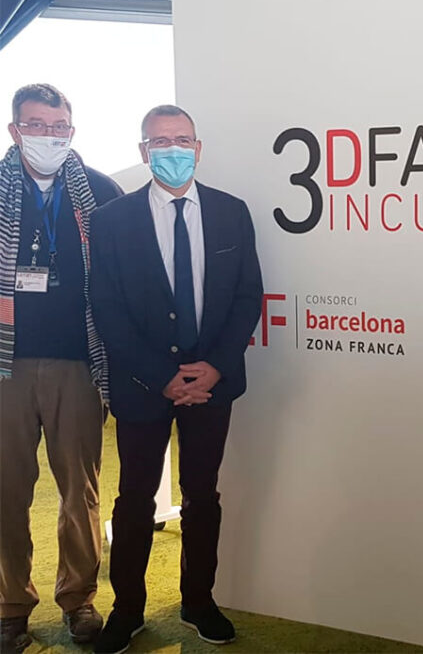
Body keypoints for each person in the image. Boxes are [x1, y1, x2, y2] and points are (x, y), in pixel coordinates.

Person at [89, 104, 263, 653]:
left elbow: (247, 296)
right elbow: (106, 308)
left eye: (182, 139)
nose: (173, 149)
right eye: (160, 141)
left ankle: (198, 601)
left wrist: (216, 365)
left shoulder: (232, 212)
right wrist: (161, 376)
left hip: (212, 382)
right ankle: (127, 610)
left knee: (202, 495)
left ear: (198, 147)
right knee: (135, 499)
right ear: (144, 151)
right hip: (143, 386)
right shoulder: (112, 220)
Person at [0, 83, 123, 652]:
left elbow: (121, 277)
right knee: (6, 491)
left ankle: (79, 599)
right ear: (14, 130)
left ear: (70, 131)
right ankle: (10, 606)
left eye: (57, 127)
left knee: (81, 492)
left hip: (78, 363)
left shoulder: (100, 191)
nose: (48, 136)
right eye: (35, 125)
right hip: (6, 366)